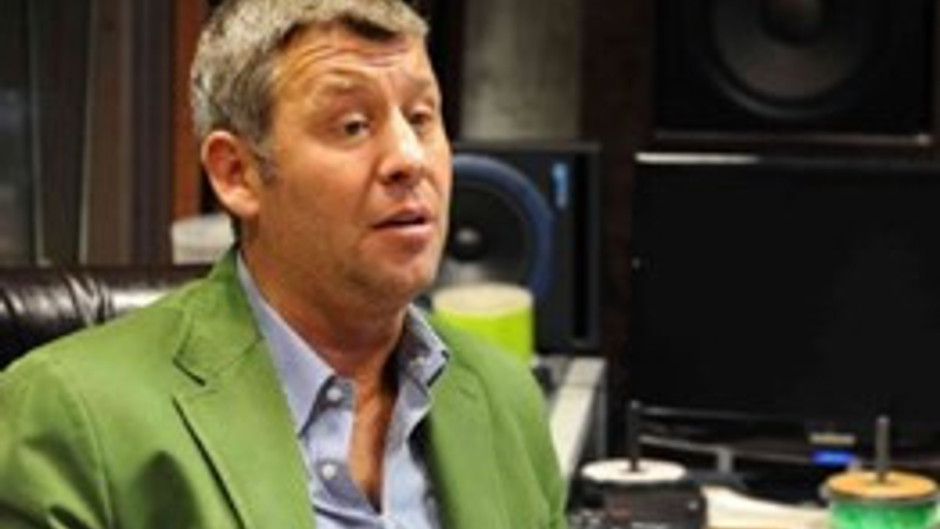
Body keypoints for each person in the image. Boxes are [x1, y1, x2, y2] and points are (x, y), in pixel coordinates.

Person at [0, 0, 568, 527]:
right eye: (353, 126)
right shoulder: (74, 415)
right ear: (236, 174)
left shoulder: (504, 398)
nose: (409, 158)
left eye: (421, 118)